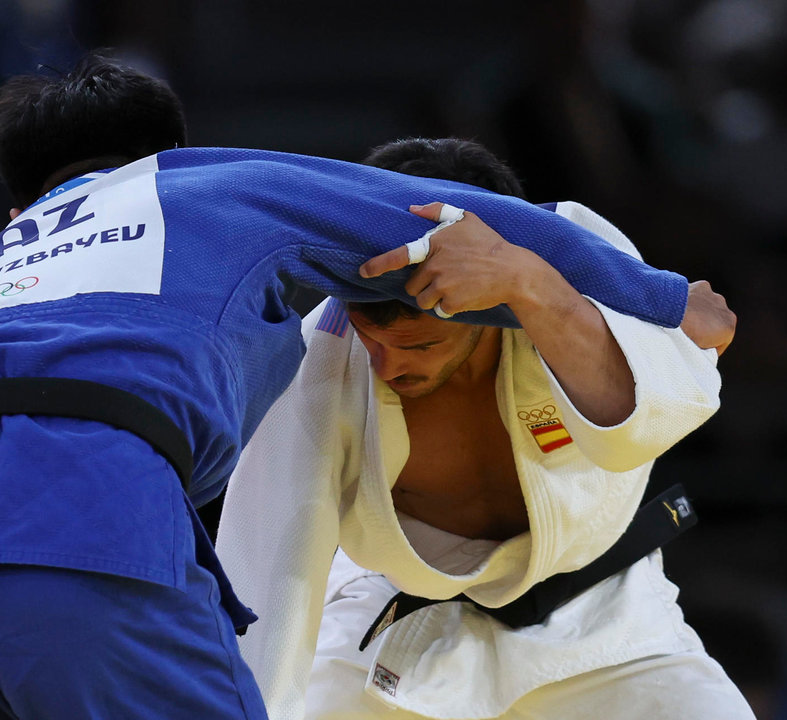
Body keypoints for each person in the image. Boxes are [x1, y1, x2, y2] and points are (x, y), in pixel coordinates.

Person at [0, 57, 701, 719]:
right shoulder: (204, 190)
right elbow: (460, 218)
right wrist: (667, 302)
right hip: (90, 508)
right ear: (173, 159)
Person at [215, 138, 756, 719]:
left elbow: (645, 425)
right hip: (391, 631)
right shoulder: (319, 361)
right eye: (373, 340)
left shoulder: (578, 271)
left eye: (419, 344)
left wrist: (531, 285)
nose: (387, 366)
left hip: (606, 622)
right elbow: (266, 572)